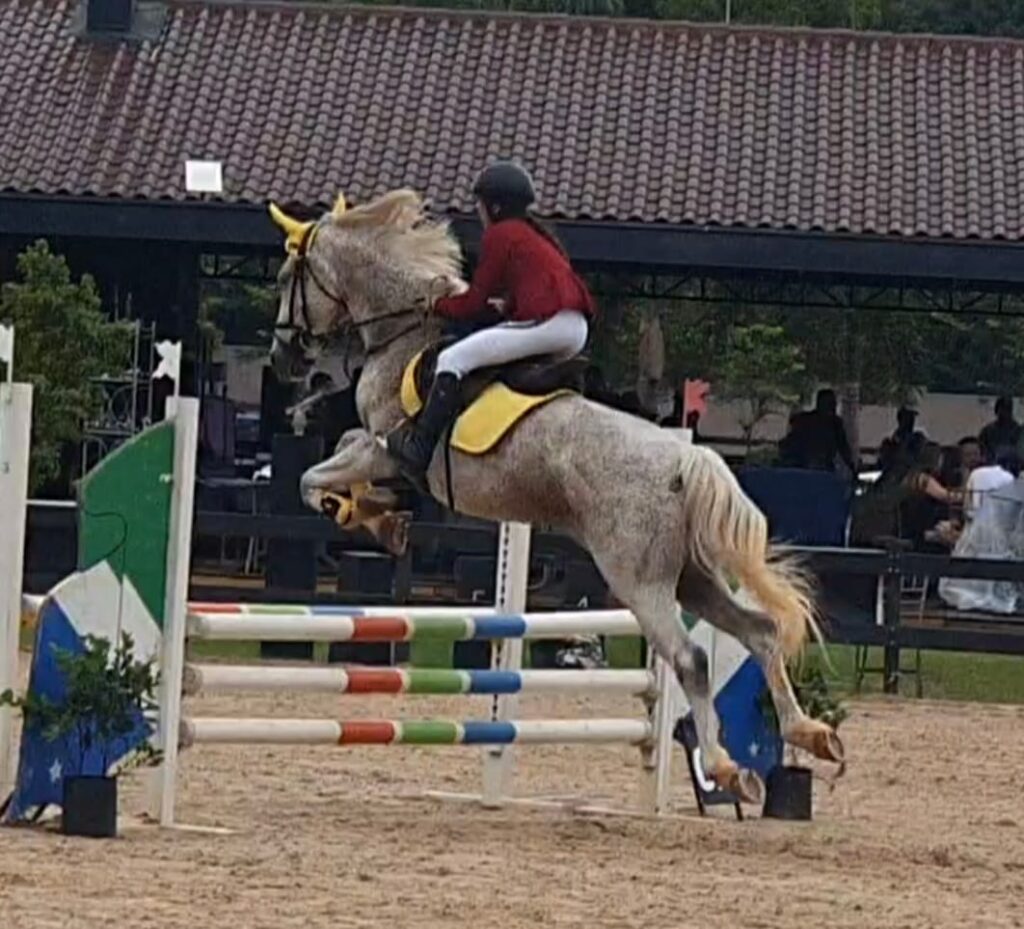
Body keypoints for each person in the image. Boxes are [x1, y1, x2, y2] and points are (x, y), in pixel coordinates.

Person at [387, 160, 595, 483]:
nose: (478, 211)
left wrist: (436, 305)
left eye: (480, 204)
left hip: (551, 326)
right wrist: (508, 305)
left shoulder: (501, 234)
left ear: (494, 206)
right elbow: (529, 288)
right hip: (573, 327)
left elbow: (473, 303)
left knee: (451, 359)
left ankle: (420, 449)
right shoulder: (531, 234)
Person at [780, 389, 857, 475]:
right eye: (829, 404)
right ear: (820, 404)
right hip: (803, 467)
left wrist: (852, 468)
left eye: (833, 404)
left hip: (824, 468)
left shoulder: (835, 424)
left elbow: (843, 448)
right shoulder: (805, 421)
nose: (832, 407)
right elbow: (790, 444)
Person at [979, 396, 1022, 463]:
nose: (1004, 413)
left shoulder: (1018, 431)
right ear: (996, 411)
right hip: (992, 464)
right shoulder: (987, 431)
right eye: (1002, 409)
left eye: (1007, 409)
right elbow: (981, 450)